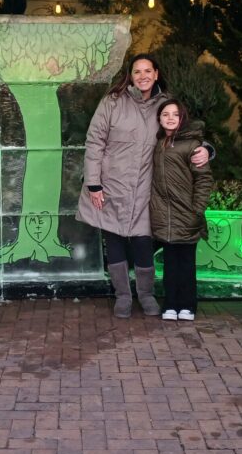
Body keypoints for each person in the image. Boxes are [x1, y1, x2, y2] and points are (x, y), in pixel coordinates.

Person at [76, 53, 210, 318]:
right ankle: (123, 296)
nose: (143, 76)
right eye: (137, 72)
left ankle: (146, 295)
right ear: (130, 76)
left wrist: (206, 149)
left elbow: (185, 133)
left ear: (156, 74)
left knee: (143, 242)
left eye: (148, 71)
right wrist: (93, 184)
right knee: (113, 239)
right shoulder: (112, 102)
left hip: (148, 187)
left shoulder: (166, 104)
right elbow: (94, 142)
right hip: (111, 185)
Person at [150, 99, 212, 322]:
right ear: (159, 118)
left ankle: (188, 305)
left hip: (186, 214)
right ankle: (171, 304)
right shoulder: (158, 144)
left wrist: (196, 210)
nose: (170, 118)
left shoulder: (192, 145)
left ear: (182, 118)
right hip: (164, 216)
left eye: (175, 115)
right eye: (165, 114)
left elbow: (204, 179)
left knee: (186, 264)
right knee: (170, 265)